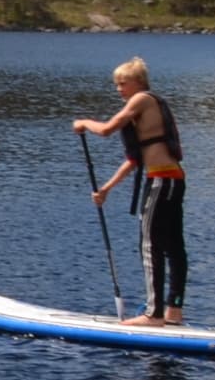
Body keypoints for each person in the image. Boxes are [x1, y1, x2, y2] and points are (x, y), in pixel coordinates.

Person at [75, 56, 187, 324]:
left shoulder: (142, 100)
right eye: (116, 84)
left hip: (161, 182)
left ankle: (154, 313)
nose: (118, 89)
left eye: (123, 83)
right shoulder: (147, 111)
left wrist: (83, 123)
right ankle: (174, 312)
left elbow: (106, 130)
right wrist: (107, 189)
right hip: (172, 180)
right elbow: (135, 160)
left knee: (150, 245)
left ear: (139, 82)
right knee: (173, 246)